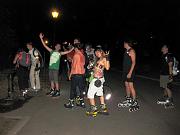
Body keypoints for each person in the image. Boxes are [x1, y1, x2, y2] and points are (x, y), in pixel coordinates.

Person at [39, 33, 74, 98]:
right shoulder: (51, 51)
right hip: (50, 68)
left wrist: (73, 48)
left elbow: (68, 52)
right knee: (51, 80)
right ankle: (52, 90)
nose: (58, 47)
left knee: (56, 80)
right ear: (55, 47)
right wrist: (41, 38)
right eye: (57, 46)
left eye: (59, 46)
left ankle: (57, 91)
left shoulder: (60, 53)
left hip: (55, 69)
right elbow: (44, 45)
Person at [86, 49, 110, 116]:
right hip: (99, 79)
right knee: (100, 93)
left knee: (90, 94)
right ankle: (103, 108)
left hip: (97, 80)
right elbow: (99, 68)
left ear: (101, 52)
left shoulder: (104, 58)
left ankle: (93, 110)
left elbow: (107, 67)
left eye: (98, 52)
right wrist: (93, 68)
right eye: (95, 53)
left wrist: (107, 57)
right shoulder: (100, 59)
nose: (96, 54)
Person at [118, 40, 139, 112]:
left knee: (131, 86)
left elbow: (133, 62)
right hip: (125, 71)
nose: (123, 44)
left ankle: (135, 101)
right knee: (126, 85)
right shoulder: (126, 50)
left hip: (130, 72)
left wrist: (130, 72)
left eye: (124, 43)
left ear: (127, 44)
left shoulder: (131, 51)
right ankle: (128, 99)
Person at [64, 41, 86, 108]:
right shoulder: (82, 55)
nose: (73, 49)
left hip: (76, 74)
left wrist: (70, 75)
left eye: (74, 48)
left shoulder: (76, 55)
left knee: (73, 89)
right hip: (82, 75)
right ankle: (81, 103)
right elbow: (83, 64)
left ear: (76, 48)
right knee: (81, 89)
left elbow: (73, 66)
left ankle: (71, 103)